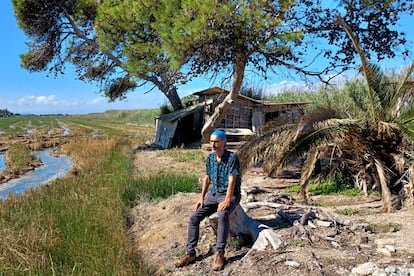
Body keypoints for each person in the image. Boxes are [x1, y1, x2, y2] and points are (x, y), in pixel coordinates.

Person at [175, 129, 242, 271]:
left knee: (223, 214)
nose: (213, 144)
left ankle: (220, 253)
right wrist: (202, 197)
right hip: (214, 193)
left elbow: (232, 180)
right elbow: (207, 178)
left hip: (229, 194)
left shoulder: (232, 158)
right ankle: (190, 253)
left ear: (224, 143)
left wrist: (228, 200)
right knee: (194, 217)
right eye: (211, 141)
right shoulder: (210, 158)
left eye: (216, 141)